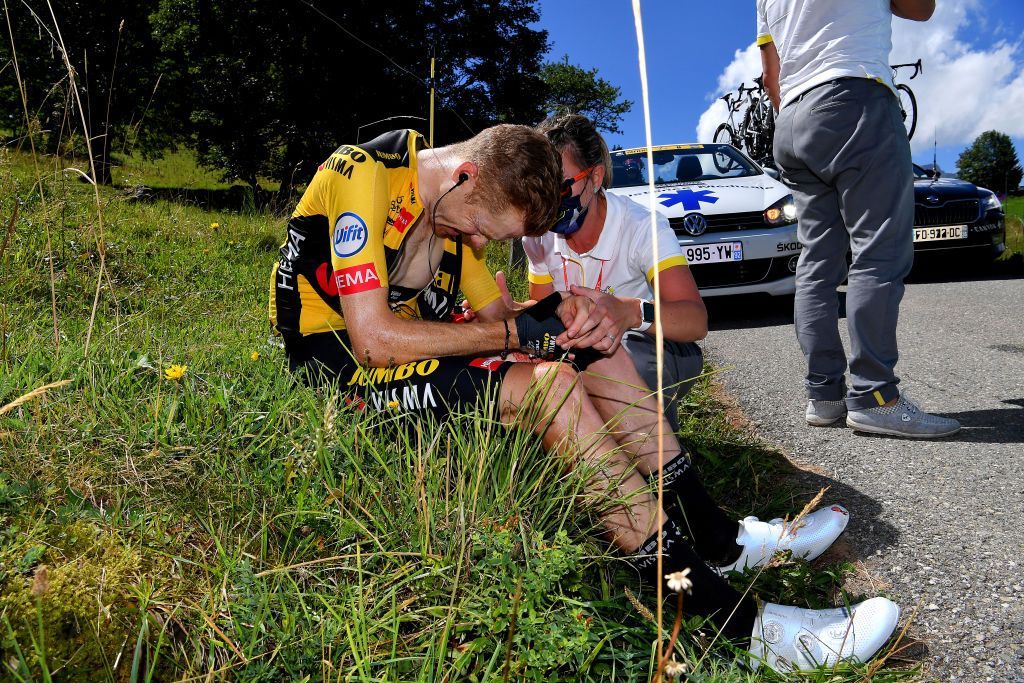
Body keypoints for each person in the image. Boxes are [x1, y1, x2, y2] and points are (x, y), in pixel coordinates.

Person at [267, 124, 897, 672]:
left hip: (410, 355)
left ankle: (716, 539)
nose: (483, 247)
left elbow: (504, 313)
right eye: (487, 229)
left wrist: (572, 316)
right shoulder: (365, 174)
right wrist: (520, 330)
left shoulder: (458, 212)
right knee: (549, 388)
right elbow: (375, 341)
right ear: (465, 176)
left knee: (586, 348)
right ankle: (731, 624)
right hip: (338, 368)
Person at [759, 0, 960, 438]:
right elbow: (919, 8)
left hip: (792, 118)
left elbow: (770, 74)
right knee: (878, 251)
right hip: (853, 96)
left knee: (817, 262)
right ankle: (874, 396)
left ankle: (825, 395)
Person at [522, 113, 705, 434]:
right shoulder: (537, 238)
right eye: (541, 189)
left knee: (626, 355)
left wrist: (631, 312)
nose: (550, 204)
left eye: (561, 188)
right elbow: (543, 319)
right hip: (578, 351)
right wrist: (503, 315)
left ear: (595, 178)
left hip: (654, 346)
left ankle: (661, 468)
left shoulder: (642, 227)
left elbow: (695, 322)